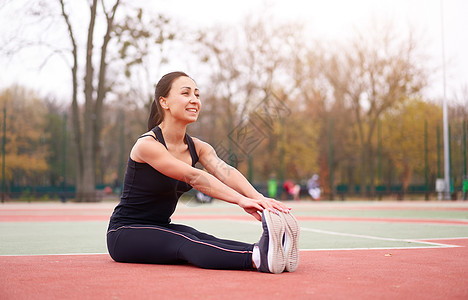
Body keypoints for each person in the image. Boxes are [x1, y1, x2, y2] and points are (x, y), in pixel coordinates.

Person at [107, 72, 300, 273]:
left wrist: (258, 198)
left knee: (203, 238)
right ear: (164, 102)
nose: (194, 100)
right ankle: (257, 258)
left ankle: (271, 251)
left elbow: (225, 171)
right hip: (125, 232)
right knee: (187, 242)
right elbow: (195, 177)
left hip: (159, 226)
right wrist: (240, 200)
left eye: (197, 95)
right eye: (186, 93)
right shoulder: (147, 145)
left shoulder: (198, 147)